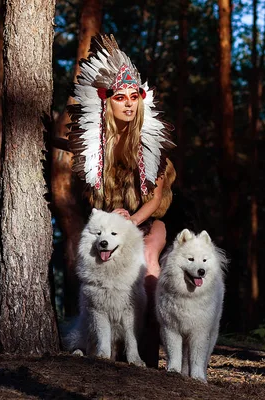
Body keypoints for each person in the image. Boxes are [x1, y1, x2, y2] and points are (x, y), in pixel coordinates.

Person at [66, 34, 176, 368]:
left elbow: (155, 198)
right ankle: (98, 341)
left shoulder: (149, 139)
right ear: (107, 102)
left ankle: (150, 351)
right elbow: (91, 197)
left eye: (133, 97)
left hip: (146, 221)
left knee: (149, 264)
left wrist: (130, 222)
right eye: (120, 98)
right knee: (92, 266)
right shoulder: (95, 147)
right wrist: (110, 219)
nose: (128, 103)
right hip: (110, 224)